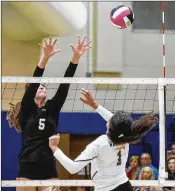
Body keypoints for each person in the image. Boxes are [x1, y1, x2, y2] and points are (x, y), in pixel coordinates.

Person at [6, 36, 91, 191]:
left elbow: (64, 85)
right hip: (28, 164)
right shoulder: (27, 110)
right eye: (39, 86)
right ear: (31, 93)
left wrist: (76, 57)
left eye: (44, 86)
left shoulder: (52, 108)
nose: (42, 87)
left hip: (48, 164)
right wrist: (44, 57)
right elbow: (35, 81)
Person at [49, 89, 158, 191]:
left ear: (111, 125)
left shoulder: (100, 144)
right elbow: (118, 123)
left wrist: (55, 148)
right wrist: (95, 105)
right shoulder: (126, 137)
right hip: (124, 186)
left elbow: (73, 168)